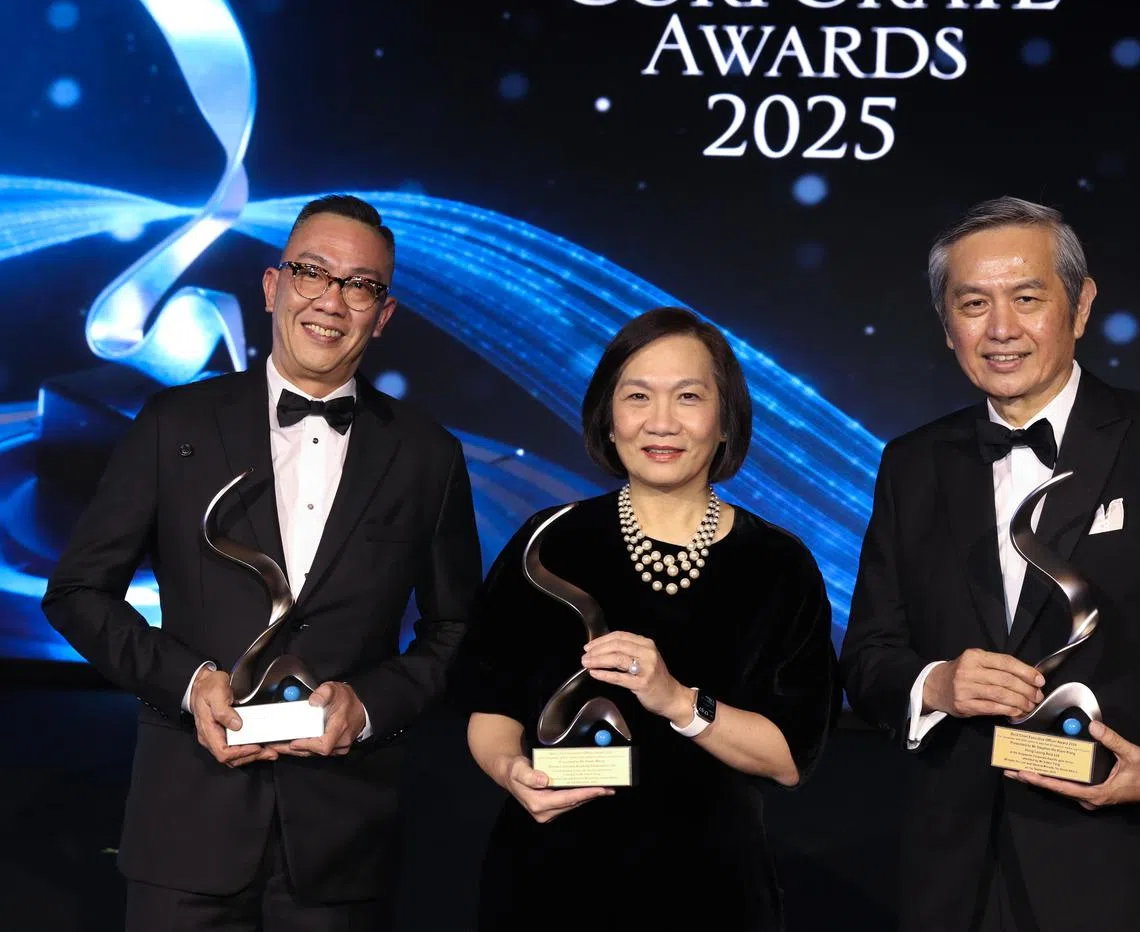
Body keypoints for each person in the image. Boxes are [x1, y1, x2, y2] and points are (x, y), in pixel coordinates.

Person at [42, 194, 483, 931]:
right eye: (312, 272)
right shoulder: (172, 424)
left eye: (361, 285)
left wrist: (369, 706)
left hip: (344, 846)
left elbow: (455, 629)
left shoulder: (427, 455)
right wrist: (188, 682)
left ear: (385, 313)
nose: (332, 301)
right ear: (273, 286)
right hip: (185, 832)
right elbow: (79, 592)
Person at [447, 306, 840, 930]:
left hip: (713, 892)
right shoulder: (546, 544)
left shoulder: (777, 564)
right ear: (608, 419)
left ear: (724, 421)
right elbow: (489, 711)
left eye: (688, 397)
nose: (661, 422)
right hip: (549, 884)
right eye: (637, 396)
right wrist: (511, 771)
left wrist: (678, 700)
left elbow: (788, 757)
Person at [840, 196, 1140, 932]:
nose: (1001, 329)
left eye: (1027, 298)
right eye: (973, 303)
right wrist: (936, 683)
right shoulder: (912, 463)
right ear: (947, 326)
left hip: (1120, 863)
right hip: (954, 876)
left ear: (1081, 305)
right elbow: (869, 656)